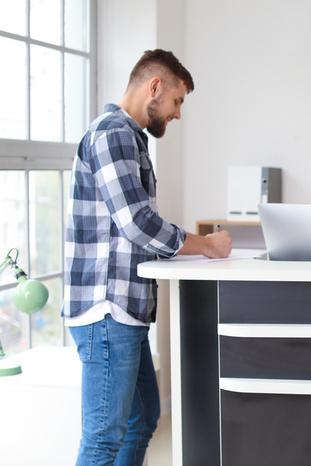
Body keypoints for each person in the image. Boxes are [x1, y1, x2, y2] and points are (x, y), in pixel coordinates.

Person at [62, 49, 232, 465]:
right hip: (108, 310)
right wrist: (206, 245)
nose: (177, 114)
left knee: (142, 421)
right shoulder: (114, 133)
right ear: (154, 87)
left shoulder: (128, 137)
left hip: (124, 310)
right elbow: (137, 222)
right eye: (177, 101)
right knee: (103, 437)